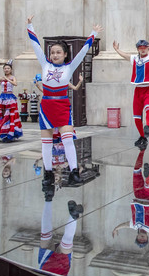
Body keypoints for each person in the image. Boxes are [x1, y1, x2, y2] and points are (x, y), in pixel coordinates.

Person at [27, 15, 101, 189]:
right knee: (46, 144)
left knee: (67, 140)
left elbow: (83, 51)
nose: (54, 55)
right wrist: (30, 25)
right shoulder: (45, 65)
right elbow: (35, 44)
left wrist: (93, 33)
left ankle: (74, 173)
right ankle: (47, 174)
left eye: (58, 52)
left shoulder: (70, 67)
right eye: (52, 52)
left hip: (62, 107)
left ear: (65, 54)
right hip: (46, 108)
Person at [38, 199, 83, 276]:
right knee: (45, 235)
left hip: (61, 270)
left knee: (67, 242)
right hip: (46, 267)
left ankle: (73, 216)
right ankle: (48, 197)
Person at [0, 60, 24, 143]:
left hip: (10, 97)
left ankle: (9, 132)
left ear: (11, 69)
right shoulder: (1, 78)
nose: (6, 70)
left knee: (10, 115)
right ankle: (1, 131)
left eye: (8, 68)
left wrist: (7, 79)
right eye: (5, 68)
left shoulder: (12, 77)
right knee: (2, 114)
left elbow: (15, 84)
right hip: (2, 97)